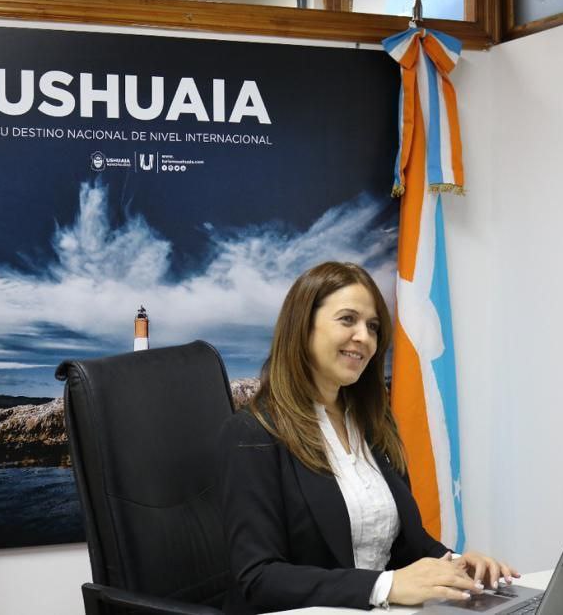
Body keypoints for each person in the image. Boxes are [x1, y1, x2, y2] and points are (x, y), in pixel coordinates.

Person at [218, 262, 518, 614]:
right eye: (348, 319)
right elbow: (259, 578)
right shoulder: (252, 434)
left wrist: (454, 564)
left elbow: (405, 542)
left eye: (373, 326)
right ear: (302, 326)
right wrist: (385, 585)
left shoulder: (373, 425)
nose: (364, 337)